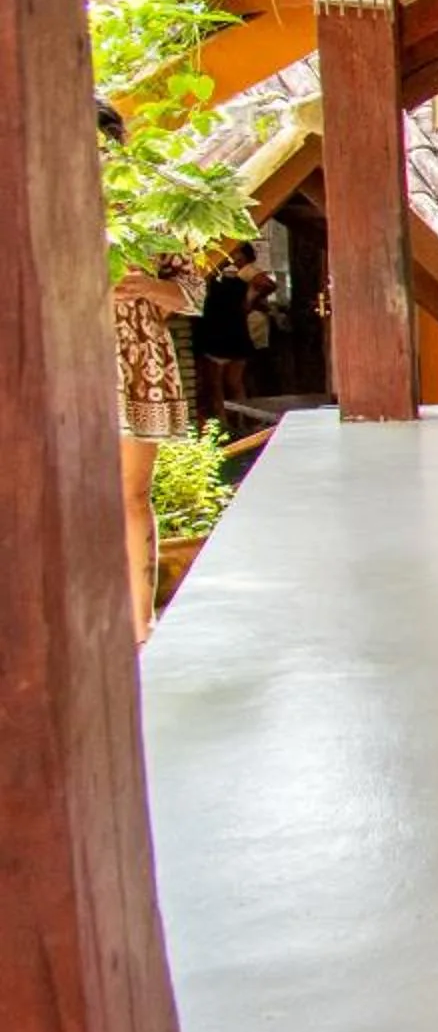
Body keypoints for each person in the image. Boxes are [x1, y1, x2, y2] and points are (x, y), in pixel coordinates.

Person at [102, 99, 204, 641]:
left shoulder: (154, 211)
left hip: (139, 360)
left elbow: (192, 294)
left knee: (131, 494)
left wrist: (143, 284)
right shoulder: (42, 199)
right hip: (72, 361)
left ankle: (141, 625)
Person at [193, 239, 269, 426]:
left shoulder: (206, 284)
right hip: (237, 337)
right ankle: (243, 422)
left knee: (216, 387)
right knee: (235, 384)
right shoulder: (240, 283)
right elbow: (245, 306)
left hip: (215, 338)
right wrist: (252, 302)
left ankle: (224, 424)